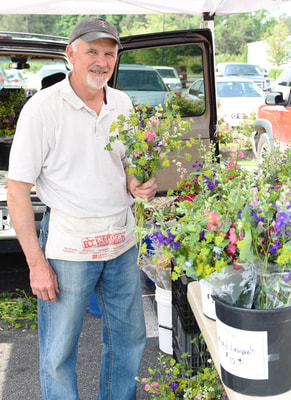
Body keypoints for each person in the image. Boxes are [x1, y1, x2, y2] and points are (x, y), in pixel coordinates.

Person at [7, 17, 157, 399]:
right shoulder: (42, 108)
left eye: (109, 53)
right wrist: (36, 263)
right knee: (59, 350)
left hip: (120, 240)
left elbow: (122, 166)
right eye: (92, 51)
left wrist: (136, 183)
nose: (101, 61)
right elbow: (18, 190)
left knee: (129, 338)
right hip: (69, 245)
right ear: (70, 54)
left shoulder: (121, 102)